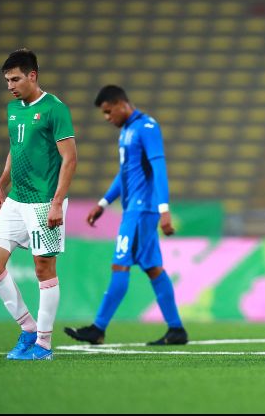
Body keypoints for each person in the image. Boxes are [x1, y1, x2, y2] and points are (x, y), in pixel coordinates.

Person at [64, 85, 187, 346]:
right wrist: (103, 202)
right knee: (153, 268)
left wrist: (165, 209)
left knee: (120, 264)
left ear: (121, 104)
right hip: (135, 210)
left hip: (142, 211)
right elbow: (126, 174)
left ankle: (98, 328)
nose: (107, 118)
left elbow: (159, 166)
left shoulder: (146, 128)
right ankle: (176, 329)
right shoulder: (127, 132)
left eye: (109, 112)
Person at [0, 49, 77, 360]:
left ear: (32, 75)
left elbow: (70, 158)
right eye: (7, 80)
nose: (10, 85)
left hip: (43, 202)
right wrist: (1, 182)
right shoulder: (13, 110)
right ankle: (28, 328)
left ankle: (44, 346)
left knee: (44, 269)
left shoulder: (54, 109)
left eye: (15, 79)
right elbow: (16, 148)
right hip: (16, 199)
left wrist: (57, 203)